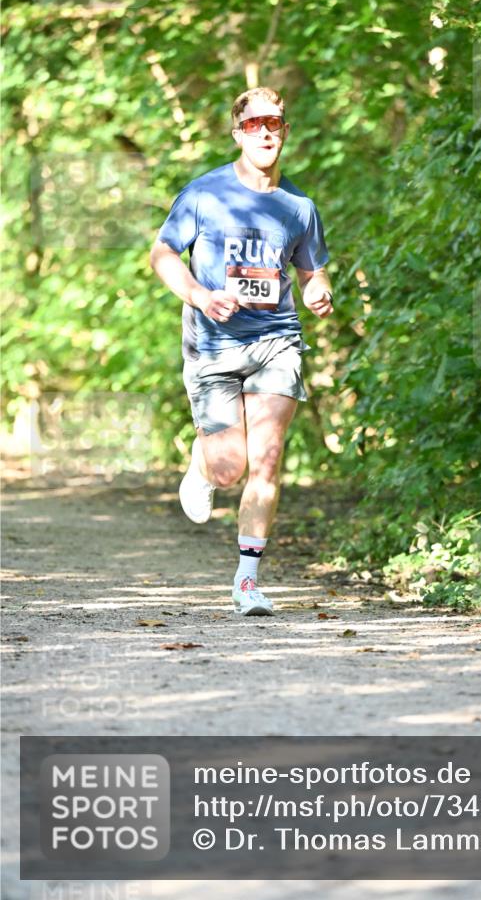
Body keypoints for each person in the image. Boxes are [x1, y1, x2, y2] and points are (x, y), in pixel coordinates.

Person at [150, 86, 333, 617]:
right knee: (229, 467)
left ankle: (247, 582)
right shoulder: (205, 194)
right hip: (213, 342)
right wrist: (200, 296)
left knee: (267, 459)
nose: (265, 132)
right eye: (254, 124)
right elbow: (162, 254)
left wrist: (318, 290)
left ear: (285, 132)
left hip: (277, 340)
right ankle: (203, 463)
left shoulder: (299, 207)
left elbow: (311, 270)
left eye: (274, 123)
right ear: (238, 134)